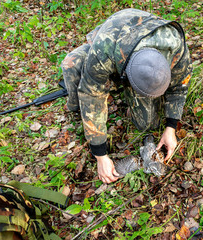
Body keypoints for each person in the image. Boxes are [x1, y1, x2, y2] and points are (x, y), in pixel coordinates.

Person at [61, 8, 192, 184]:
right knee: (70, 65)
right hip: (113, 39)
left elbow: (180, 86)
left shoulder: (175, 44)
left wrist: (171, 127)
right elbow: (91, 94)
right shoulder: (103, 50)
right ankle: (76, 109)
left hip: (139, 43)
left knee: (146, 123)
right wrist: (100, 155)